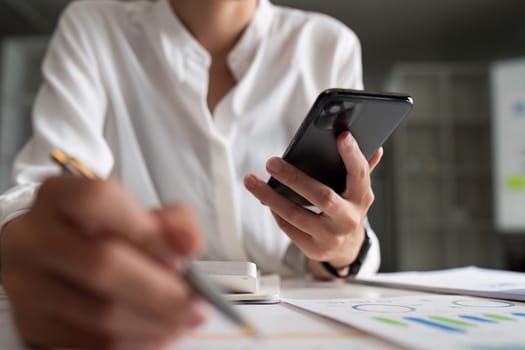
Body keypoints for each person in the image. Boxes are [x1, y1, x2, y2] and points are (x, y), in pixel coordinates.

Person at [0, 0, 382, 348]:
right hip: (134, 316)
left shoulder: (328, 45)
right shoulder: (94, 26)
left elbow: (333, 237)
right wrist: (28, 239)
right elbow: (42, 193)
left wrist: (342, 248)